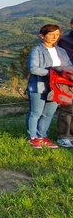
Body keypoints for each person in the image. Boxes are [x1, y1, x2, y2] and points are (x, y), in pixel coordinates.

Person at [26, 24, 72, 148]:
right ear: (42, 35)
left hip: (57, 88)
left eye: (57, 34)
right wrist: (53, 74)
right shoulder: (37, 50)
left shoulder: (61, 51)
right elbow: (34, 69)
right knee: (35, 113)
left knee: (48, 114)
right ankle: (32, 137)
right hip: (39, 86)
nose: (54, 37)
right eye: (51, 34)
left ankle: (42, 136)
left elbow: (68, 67)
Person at [56, 17, 73, 147]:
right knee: (68, 108)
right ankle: (64, 135)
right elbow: (67, 62)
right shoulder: (65, 41)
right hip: (69, 79)